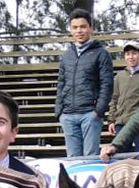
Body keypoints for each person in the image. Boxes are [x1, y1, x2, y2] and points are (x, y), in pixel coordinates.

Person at [55, 8, 114, 157]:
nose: (79, 31)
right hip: (68, 115)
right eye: (75, 27)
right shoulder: (67, 55)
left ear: (90, 28)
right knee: (72, 159)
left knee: (90, 157)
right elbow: (61, 83)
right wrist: (59, 112)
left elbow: (107, 84)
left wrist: (98, 111)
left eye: (82, 26)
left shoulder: (101, 54)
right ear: (70, 30)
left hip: (90, 114)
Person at [107, 41, 139, 152]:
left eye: (134, 53)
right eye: (128, 54)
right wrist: (112, 120)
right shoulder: (120, 76)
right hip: (121, 122)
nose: (131, 57)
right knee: (121, 155)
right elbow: (115, 98)